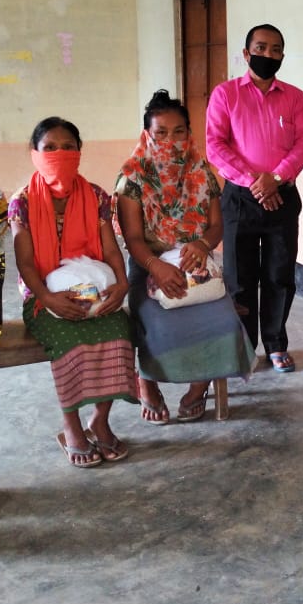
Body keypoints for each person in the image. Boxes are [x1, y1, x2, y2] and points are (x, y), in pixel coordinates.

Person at [116, 90, 256, 424]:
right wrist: (156, 266)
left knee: (222, 320)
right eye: (161, 132)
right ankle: (147, 383)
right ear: (147, 135)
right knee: (154, 321)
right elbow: (133, 238)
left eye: (178, 131)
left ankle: (198, 387)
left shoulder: (201, 172)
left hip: (197, 264)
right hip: (148, 265)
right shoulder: (132, 177)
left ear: (189, 133)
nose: (170, 140)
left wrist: (203, 245)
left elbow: (216, 226)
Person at [9, 117, 136, 468]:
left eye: (68, 147)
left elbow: (110, 250)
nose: (60, 154)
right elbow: (26, 263)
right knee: (69, 341)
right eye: (50, 148)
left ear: (79, 152)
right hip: (43, 296)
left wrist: (121, 284)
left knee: (119, 332)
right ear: (34, 153)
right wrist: (47, 298)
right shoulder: (22, 202)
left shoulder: (95, 196)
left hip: (94, 287)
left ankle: (100, 420)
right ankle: (71, 427)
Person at [205, 23, 303, 372]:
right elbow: (215, 145)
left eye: (276, 49)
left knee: (279, 274)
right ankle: (244, 347)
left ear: (282, 55)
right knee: (239, 278)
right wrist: (256, 181)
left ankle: (276, 343)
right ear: (246, 52)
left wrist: (276, 178)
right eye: (261, 47)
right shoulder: (226, 94)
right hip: (240, 198)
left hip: (282, 196)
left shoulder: (295, 97)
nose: (268, 55)